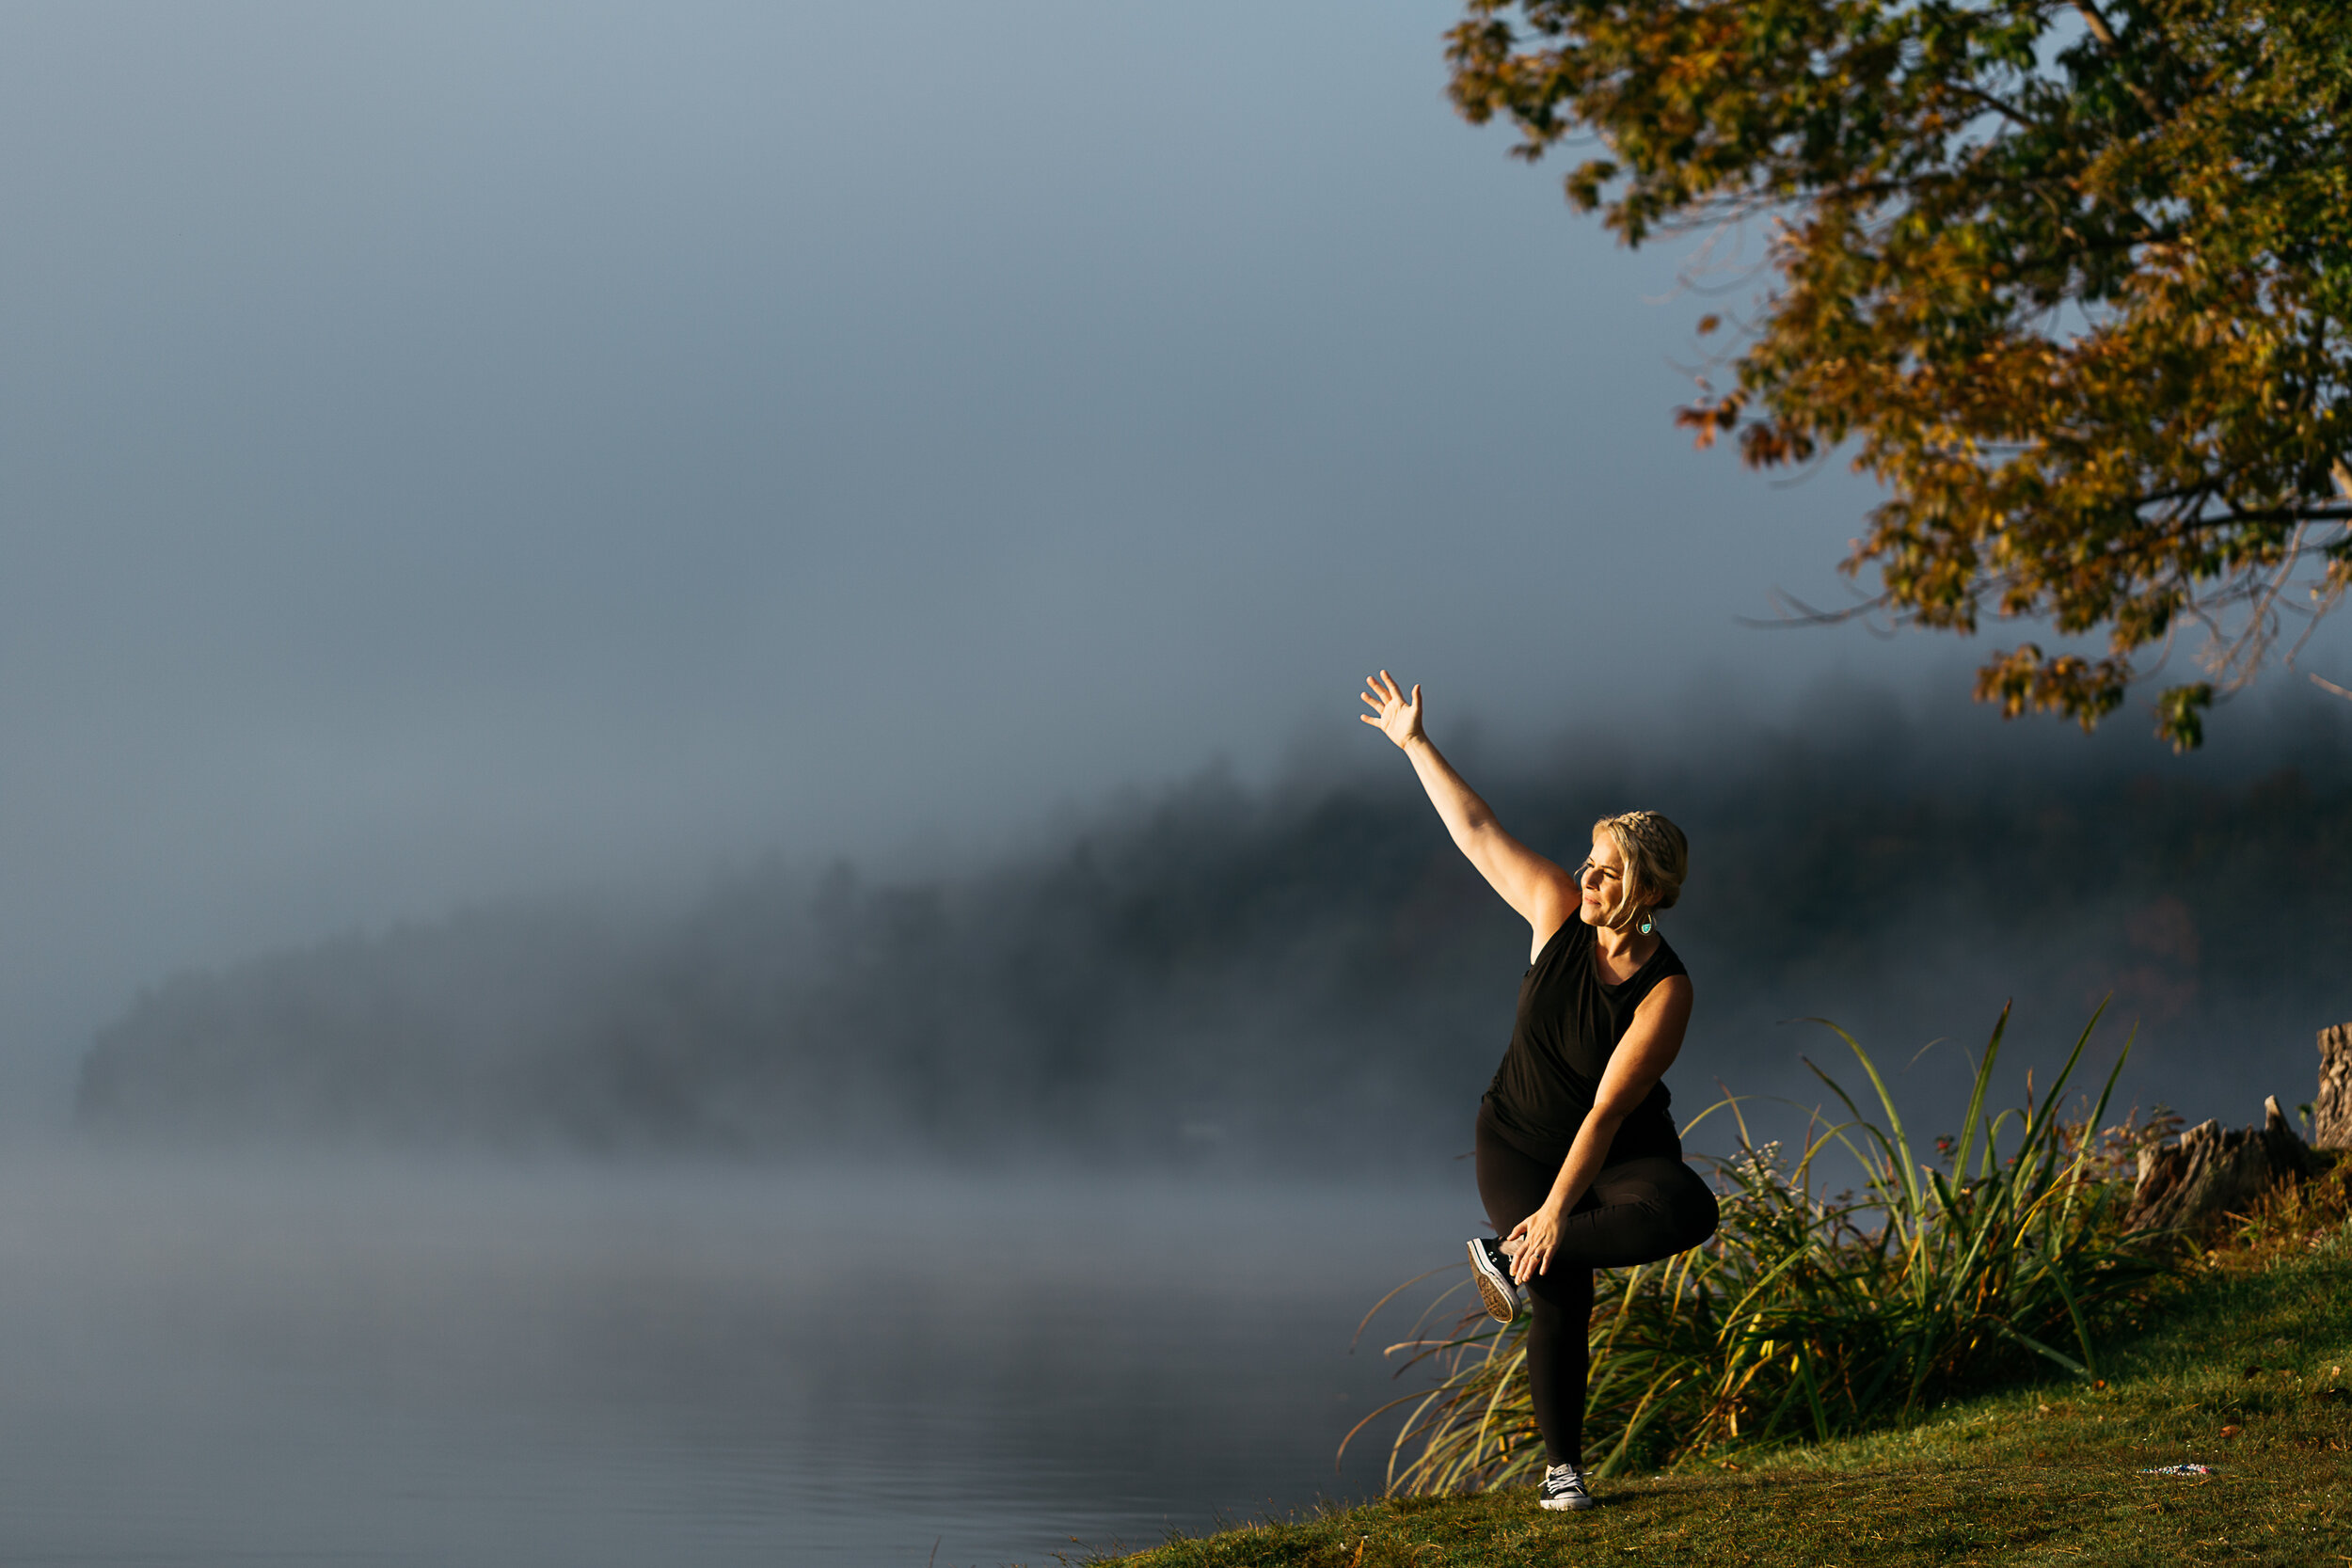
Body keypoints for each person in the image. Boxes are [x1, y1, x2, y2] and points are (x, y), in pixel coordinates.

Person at [1359, 671, 1719, 1512]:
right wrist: (1415, 743)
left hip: (1618, 1150)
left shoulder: (1666, 989)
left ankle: (1508, 1259)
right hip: (1517, 1137)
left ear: (1648, 891)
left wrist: (1559, 1214)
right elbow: (1477, 829)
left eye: (1606, 873)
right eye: (1590, 865)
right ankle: (1564, 1476)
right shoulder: (1554, 909)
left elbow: (1606, 1111)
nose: (1587, 879)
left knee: (1689, 1210)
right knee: (1562, 1283)